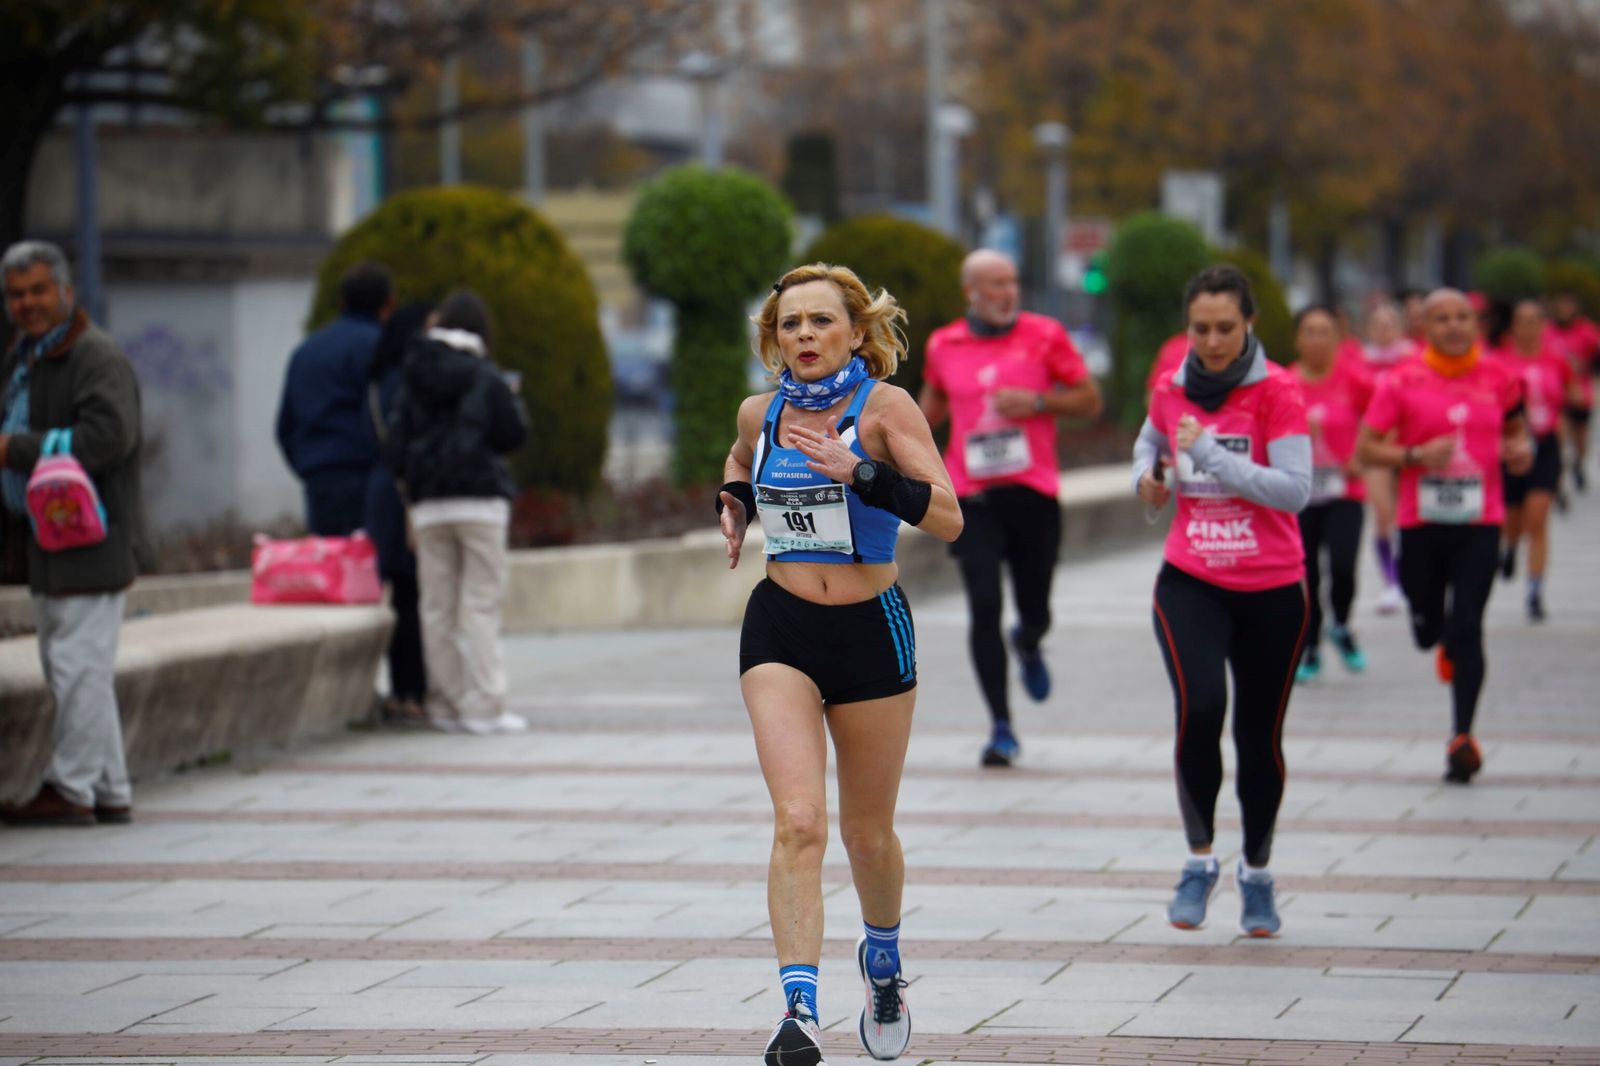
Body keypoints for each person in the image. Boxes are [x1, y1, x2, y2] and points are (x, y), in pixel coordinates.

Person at [718, 263, 962, 1065]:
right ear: (774, 339)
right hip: (780, 626)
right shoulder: (762, 410)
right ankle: (797, 1012)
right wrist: (733, 500)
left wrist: (861, 472)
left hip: (871, 631)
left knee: (867, 832)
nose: (806, 337)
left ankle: (883, 960)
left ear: (857, 332)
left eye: (822, 322)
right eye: (791, 325)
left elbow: (950, 516)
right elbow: (739, 455)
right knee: (798, 822)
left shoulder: (885, 408)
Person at [1133, 264, 1311, 937]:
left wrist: (1208, 452)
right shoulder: (1170, 385)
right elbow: (1151, 441)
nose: (1211, 342)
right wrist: (1146, 479)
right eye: (1200, 328)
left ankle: (1257, 874)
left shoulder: (1279, 392)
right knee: (1200, 706)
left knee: (1258, 734)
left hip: (1272, 587)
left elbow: (1294, 490)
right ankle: (1198, 860)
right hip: (1192, 578)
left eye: (1225, 329)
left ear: (1250, 326)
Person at [919, 250, 1101, 767]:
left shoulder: (1045, 335)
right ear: (970, 292)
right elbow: (927, 411)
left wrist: (1041, 403)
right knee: (983, 605)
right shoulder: (944, 344)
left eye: (1013, 282)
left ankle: (1030, 639)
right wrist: (880, 444)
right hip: (971, 498)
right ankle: (1001, 725)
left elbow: (1089, 400)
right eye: (996, 284)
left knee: (1034, 605)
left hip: (1032, 492)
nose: (1008, 293)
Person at [0, 241, 148, 827]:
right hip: (52, 540)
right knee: (77, 665)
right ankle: (109, 788)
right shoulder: (30, 356)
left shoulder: (93, 355)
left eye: (37, 290)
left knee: (76, 666)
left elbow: (109, 437)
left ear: (66, 292)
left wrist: (17, 450)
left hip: (92, 539)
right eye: (15, 295)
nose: (27, 303)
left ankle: (71, 787)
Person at [1357, 289, 1533, 784]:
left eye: (1462, 318)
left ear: (1475, 324)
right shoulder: (1401, 380)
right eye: (1442, 319)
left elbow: (1517, 430)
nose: (1454, 327)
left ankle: (1462, 737)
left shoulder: (1501, 377)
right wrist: (1414, 457)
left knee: (1469, 625)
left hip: (1482, 522)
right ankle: (1438, 637)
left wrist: (1520, 451)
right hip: (1420, 525)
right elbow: (1367, 450)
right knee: (1428, 630)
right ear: (1426, 328)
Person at [384, 291, 529, 736]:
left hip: (428, 506)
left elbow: (394, 444)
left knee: (437, 608)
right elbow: (513, 435)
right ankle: (484, 708)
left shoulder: (412, 375)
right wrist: (509, 396)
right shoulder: (485, 376)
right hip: (480, 502)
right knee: (480, 604)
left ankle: (444, 705)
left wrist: (413, 486)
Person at [276, 262, 392, 535]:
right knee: (365, 568)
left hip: (319, 479)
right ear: (389, 303)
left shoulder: (306, 351)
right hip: (366, 478)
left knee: (329, 569)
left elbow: (285, 427)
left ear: (341, 301)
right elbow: (388, 415)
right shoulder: (380, 347)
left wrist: (311, 465)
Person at [1290, 306, 1373, 682]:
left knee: (1342, 567)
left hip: (1345, 491)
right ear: (1298, 339)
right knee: (1306, 575)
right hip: (1299, 494)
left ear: (1338, 339)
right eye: (1310, 331)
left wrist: (1361, 456)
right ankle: (1310, 644)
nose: (1317, 339)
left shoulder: (1355, 380)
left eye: (1325, 331)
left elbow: (1382, 422)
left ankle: (1341, 624)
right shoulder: (1285, 382)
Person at [366, 302, 433, 723]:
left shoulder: (375, 383)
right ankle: (414, 691)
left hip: (381, 492)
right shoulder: (412, 382)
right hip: (406, 495)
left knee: (400, 596)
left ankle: (402, 689)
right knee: (413, 597)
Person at [1494, 299, 1580, 621]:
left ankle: (1534, 591)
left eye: (1534, 320)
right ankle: (1511, 549)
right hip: (1510, 449)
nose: (1528, 326)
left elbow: (1574, 395)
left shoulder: (1557, 361)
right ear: (1513, 325)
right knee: (1512, 521)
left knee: (1538, 519)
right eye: (1521, 320)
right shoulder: (1500, 361)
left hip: (1544, 447)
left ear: (1543, 325)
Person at [1360, 300, 1417, 613]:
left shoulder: (1414, 361)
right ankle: (1391, 583)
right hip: (1377, 452)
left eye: (1389, 325)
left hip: (1408, 450)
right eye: (1377, 326)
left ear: (1400, 328)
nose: (1383, 331)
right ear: (1369, 330)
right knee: (1383, 515)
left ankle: (1412, 576)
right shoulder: (1361, 363)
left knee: (1408, 516)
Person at [1544, 289, 1600, 492]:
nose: (1565, 310)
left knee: (1581, 436)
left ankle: (1579, 464)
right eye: (1562, 305)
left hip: (1581, 393)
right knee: (1560, 437)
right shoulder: (1547, 331)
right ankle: (1558, 479)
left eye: (1569, 305)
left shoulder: (1587, 331)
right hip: (1556, 395)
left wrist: (1586, 366)